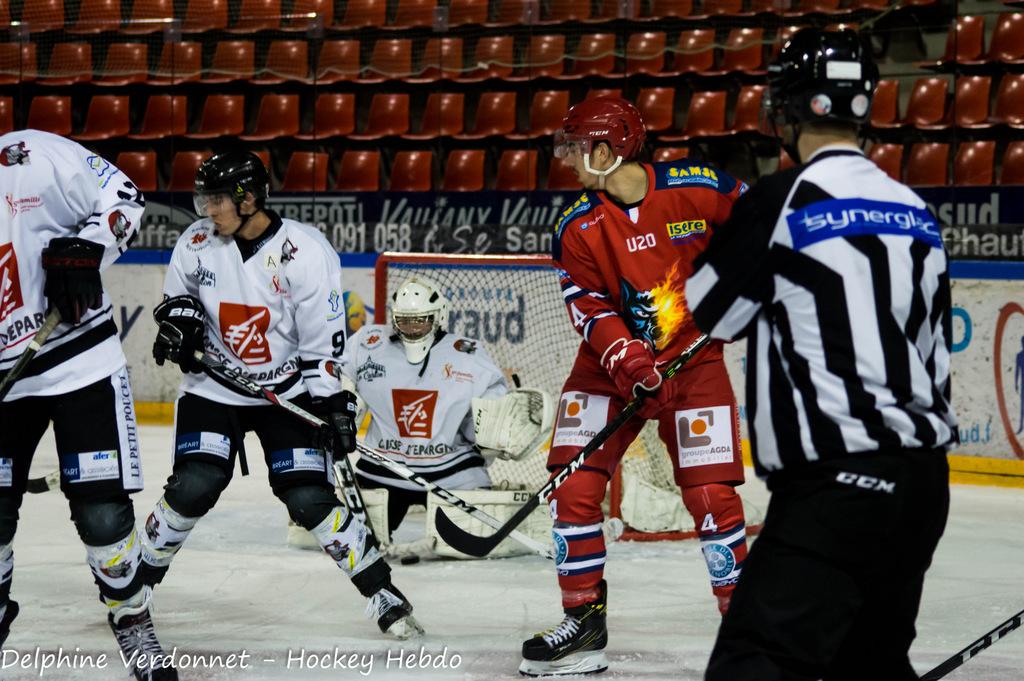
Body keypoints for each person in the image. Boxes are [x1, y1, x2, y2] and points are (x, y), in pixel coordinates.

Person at [686, 29, 956, 680]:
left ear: (790, 108)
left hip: (839, 481)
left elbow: (710, 312)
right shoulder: (915, 210)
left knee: (756, 663)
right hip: (923, 484)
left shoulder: (780, 202)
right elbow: (930, 350)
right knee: (869, 662)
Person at [139, 151, 423, 639]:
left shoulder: (305, 252)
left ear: (248, 199)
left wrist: (331, 404)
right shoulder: (196, 241)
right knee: (194, 486)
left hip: (287, 391)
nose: (207, 209)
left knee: (309, 497)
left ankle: (382, 591)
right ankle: (133, 583)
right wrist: (177, 330)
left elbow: (322, 344)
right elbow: (177, 306)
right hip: (213, 390)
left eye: (217, 199)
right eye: (203, 198)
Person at [520, 97, 751, 677]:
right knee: (572, 482)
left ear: (605, 148)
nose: (568, 160)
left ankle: (748, 633)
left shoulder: (699, 187)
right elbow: (589, 306)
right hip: (608, 368)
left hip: (694, 364)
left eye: (575, 147)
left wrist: (746, 289)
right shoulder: (575, 225)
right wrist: (626, 358)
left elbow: (763, 231)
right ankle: (584, 624)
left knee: (711, 498)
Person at [0, 130, 177, 680]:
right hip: (6, 385)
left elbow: (123, 196)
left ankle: (131, 618)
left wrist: (89, 246)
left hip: (80, 363)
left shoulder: (31, 153)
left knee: (102, 514)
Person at [338, 276, 552, 548]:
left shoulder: (467, 355)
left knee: (470, 546)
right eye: (404, 320)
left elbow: (489, 414)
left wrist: (496, 432)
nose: (413, 328)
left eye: (421, 320)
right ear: (394, 318)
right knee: (350, 545)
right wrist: (342, 409)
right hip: (384, 468)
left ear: (438, 317)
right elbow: (340, 380)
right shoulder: (367, 344)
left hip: (453, 473)